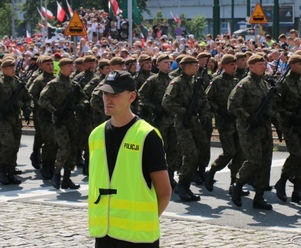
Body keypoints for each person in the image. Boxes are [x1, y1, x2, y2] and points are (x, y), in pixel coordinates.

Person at [88, 70, 171, 247]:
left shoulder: (146, 135)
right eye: (105, 93)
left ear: (131, 97)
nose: (108, 99)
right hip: (105, 234)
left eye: (115, 94)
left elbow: (164, 192)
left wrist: (144, 217)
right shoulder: (96, 135)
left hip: (138, 238)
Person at [228, 54, 274, 210]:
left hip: (264, 129)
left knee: (265, 162)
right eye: (260, 64)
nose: (263, 66)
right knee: (254, 160)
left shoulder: (265, 84)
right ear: (251, 66)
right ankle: (238, 184)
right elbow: (233, 104)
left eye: (264, 64)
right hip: (249, 129)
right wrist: (248, 117)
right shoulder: (244, 84)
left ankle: (259, 197)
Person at [162, 55, 211, 201]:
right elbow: (166, 102)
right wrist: (184, 111)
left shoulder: (195, 81)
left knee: (201, 151)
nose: (197, 68)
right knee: (190, 155)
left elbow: (203, 99)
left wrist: (205, 114)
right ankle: (182, 185)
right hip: (182, 123)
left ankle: (187, 184)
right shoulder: (176, 83)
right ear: (187, 66)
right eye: (195, 65)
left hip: (195, 122)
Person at [39, 58, 87, 190]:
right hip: (59, 121)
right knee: (64, 148)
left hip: (71, 120)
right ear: (61, 67)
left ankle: (67, 178)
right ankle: (56, 173)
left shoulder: (74, 85)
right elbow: (42, 99)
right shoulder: (54, 84)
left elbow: (84, 99)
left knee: (72, 148)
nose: (72, 68)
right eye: (68, 66)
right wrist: (54, 110)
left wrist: (79, 106)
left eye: (72, 65)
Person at [0, 58, 32, 185]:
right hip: (3, 118)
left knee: (15, 144)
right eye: (10, 68)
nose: (13, 70)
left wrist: (27, 108)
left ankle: (10, 171)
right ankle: (2, 170)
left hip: (15, 117)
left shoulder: (17, 82)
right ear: (4, 70)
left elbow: (27, 97)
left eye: (13, 68)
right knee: (8, 144)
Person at [274, 54, 301, 203]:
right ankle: (282, 181)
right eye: (299, 64)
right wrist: (289, 115)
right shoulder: (284, 83)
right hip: (290, 123)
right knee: (296, 153)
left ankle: (297, 189)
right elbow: (277, 105)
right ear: (291, 65)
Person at [204, 54, 244, 193]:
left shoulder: (237, 81)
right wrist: (219, 111)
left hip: (237, 121)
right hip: (224, 122)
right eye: (231, 64)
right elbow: (207, 99)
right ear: (224, 66)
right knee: (229, 152)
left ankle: (234, 184)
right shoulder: (216, 82)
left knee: (240, 153)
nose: (234, 66)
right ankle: (212, 171)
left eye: (235, 64)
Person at [138, 54, 179, 188]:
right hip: (158, 120)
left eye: (169, 62)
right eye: (165, 62)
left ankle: (170, 176)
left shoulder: (173, 80)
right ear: (158, 65)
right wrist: (154, 108)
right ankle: (155, 176)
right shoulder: (152, 80)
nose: (168, 65)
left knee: (173, 149)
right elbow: (141, 96)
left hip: (172, 119)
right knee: (160, 149)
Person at [28, 55, 56, 180]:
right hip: (42, 115)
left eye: (51, 64)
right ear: (41, 66)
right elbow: (31, 95)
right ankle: (45, 165)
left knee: (54, 141)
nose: (51, 66)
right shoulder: (38, 80)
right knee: (48, 140)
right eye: (47, 64)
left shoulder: (56, 79)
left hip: (54, 114)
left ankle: (51, 165)